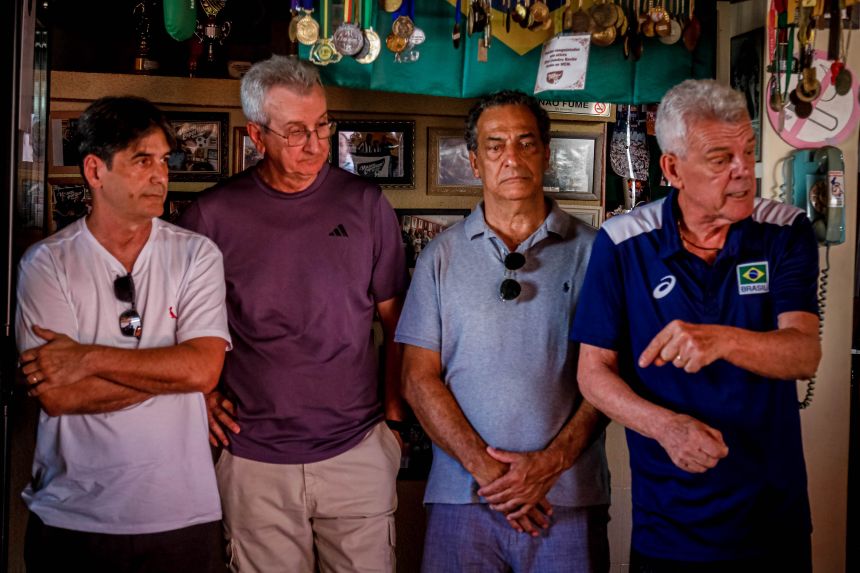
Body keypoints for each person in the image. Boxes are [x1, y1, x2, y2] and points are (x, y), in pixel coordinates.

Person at [572, 79, 821, 571]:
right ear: (672, 169)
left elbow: (803, 354)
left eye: (747, 152)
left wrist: (721, 340)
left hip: (772, 520)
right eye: (720, 158)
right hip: (669, 525)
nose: (743, 171)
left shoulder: (785, 231)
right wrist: (664, 428)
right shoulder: (622, 242)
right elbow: (593, 373)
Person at [178, 55, 407, 572]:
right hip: (253, 459)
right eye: (296, 131)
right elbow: (175, 328)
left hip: (357, 449)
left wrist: (394, 423)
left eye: (322, 125)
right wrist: (201, 397)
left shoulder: (366, 205)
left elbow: (398, 323)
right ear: (256, 136)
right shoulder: (211, 217)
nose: (316, 144)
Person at [396, 90, 610, 573]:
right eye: (495, 146)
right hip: (464, 495)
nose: (511, 158)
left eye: (525, 143)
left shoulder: (596, 252)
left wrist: (549, 465)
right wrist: (489, 472)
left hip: (565, 496)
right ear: (475, 161)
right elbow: (416, 378)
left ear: (546, 153)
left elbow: (612, 375)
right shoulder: (440, 256)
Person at [16, 96, 231, 573]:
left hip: (181, 512)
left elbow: (202, 371)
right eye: (142, 161)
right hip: (72, 514)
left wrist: (87, 358)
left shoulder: (196, 256)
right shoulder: (47, 264)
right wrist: (170, 373)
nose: (161, 176)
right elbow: (58, 396)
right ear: (95, 170)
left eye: (164, 161)